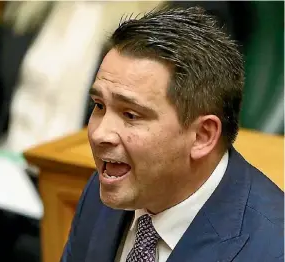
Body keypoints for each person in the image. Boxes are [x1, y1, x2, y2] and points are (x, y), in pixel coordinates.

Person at [61, 6, 284, 262]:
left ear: (202, 135)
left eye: (130, 115)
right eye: (99, 106)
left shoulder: (273, 249)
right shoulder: (102, 193)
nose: (100, 133)